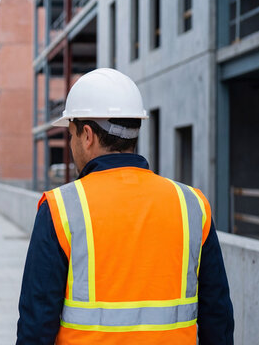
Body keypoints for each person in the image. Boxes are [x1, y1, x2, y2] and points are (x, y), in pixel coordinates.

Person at [16, 68, 234, 344]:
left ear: (87, 135)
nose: (71, 145)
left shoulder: (60, 208)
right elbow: (218, 317)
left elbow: (36, 326)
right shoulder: (192, 205)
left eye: (70, 135)